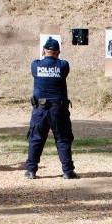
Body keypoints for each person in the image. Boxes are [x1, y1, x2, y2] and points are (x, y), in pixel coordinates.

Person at [25, 37, 77, 179]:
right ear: (58, 52)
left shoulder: (35, 65)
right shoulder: (63, 65)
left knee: (36, 139)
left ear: (43, 51)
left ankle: (31, 170)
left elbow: (40, 63)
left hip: (40, 109)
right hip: (58, 109)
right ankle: (67, 171)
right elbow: (61, 67)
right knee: (63, 139)